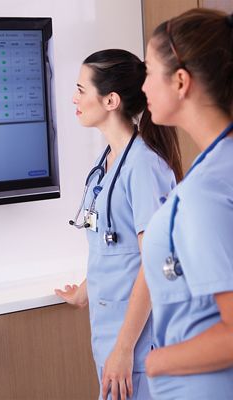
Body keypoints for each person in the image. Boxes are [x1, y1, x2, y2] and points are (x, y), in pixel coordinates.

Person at [55, 49, 182, 400]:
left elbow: (155, 263)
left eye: (81, 90)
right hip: (110, 337)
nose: (73, 98)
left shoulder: (143, 167)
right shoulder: (107, 160)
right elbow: (114, 241)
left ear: (110, 100)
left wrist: (124, 349)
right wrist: (84, 288)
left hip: (137, 348)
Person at [141, 8, 233, 399]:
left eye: (147, 71)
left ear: (181, 81)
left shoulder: (205, 192)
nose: (141, 86)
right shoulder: (219, 165)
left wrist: (156, 362)